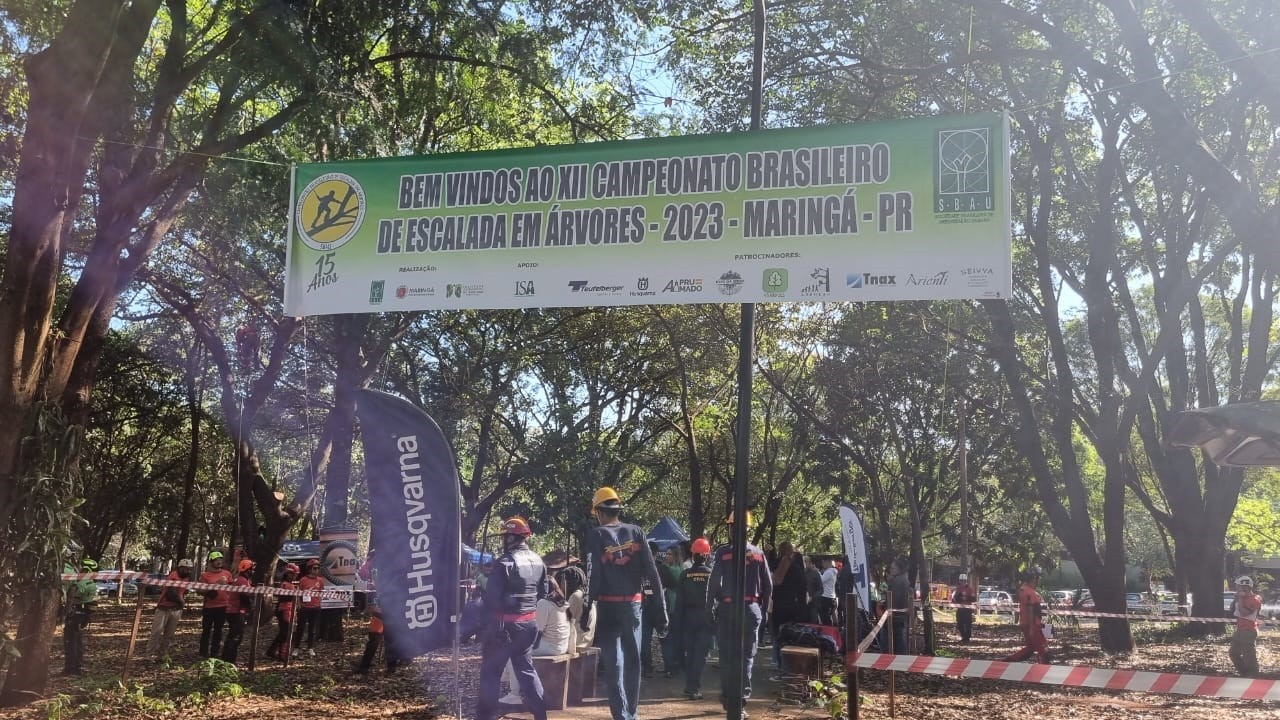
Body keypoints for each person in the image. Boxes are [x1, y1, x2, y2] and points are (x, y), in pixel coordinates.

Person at [582, 486, 667, 720]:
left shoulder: (596, 535)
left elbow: (593, 575)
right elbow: (652, 573)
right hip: (633, 606)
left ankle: (621, 716)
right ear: (617, 509)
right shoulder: (638, 532)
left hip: (608, 607)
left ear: (599, 512)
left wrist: (587, 607)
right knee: (633, 662)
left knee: (614, 663)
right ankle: (632, 714)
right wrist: (662, 609)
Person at [476, 516, 548, 720]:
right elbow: (542, 592)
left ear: (510, 537)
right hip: (528, 625)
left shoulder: (504, 563)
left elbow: (491, 599)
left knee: (491, 673)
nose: (502, 541)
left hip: (503, 628)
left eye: (504, 537)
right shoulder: (538, 561)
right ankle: (541, 716)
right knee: (526, 671)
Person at [708, 511, 773, 719]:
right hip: (751, 609)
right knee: (746, 658)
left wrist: (711, 605)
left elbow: (714, 583)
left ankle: (728, 697)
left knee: (727, 656)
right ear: (748, 529)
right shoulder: (758, 554)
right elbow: (768, 586)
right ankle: (741, 702)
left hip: (728, 609)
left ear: (731, 528)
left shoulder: (723, 553)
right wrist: (762, 611)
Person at [500, 575, 571, 703]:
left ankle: (515, 694)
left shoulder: (544, 603)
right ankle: (509, 676)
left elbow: (537, 631)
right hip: (561, 644)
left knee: (515, 653)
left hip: (551, 646)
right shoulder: (561, 601)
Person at [677, 537, 714, 700]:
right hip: (705, 617)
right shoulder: (711, 575)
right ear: (706, 556)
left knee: (690, 653)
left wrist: (677, 623)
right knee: (700, 654)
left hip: (688, 617)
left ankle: (689, 686)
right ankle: (694, 688)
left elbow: (679, 602)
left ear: (693, 555)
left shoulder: (684, 575)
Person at [769, 541, 807, 668]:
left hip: (780, 604)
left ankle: (777, 662)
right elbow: (803, 587)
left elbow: (773, 582)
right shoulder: (798, 566)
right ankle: (790, 664)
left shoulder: (777, 563)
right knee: (792, 634)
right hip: (795, 605)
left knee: (778, 634)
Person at [147, 558, 194, 661]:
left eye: (189, 569)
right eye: (186, 569)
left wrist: (183, 601)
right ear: (180, 568)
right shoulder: (173, 576)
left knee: (169, 634)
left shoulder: (186, 579)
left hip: (176, 609)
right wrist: (181, 602)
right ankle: (149, 654)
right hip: (164, 607)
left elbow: (184, 592)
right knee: (156, 632)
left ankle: (162, 654)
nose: (188, 571)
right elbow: (171, 593)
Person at [1001, 566, 1049, 664]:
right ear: (1034, 579)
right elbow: (1031, 610)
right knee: (1043, 650)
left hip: (1027, 624)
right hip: (1033, 625)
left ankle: (1006, 662)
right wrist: (1032, 629)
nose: (1040, 580)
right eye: (1039, 578)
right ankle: (1044, 671)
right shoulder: (1030, 592)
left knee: (1030, 648)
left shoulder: (1024, 589)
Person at [63, 557, 99, 676]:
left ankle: (71, 669)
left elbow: (71, 597)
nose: (79, 569)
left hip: (75, 615)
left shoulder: (81, 583)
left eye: (81, 567)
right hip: (84, 615)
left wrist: (66, 613)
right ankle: (77, 667)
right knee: (78, 641)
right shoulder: (92, 583)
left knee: (71, 642)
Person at [198, 551, 233, 658]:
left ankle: (214, 652)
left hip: (223, 606)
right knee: (206, 630)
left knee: (218, 630)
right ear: (211, 562)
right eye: (216, 560)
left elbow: (232, 588)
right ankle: (203, 652)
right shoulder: (205, 575)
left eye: (220, 560)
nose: (219, 562)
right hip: (209, 607)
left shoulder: (227, 574)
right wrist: (216, 584)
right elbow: (200, 591)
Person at [221, 559, 254, 664]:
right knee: (236, 636)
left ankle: (227, 657)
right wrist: (250, 607)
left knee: (233, 635)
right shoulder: (242, 581)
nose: (253, 571)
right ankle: (229, 660)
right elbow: (244, 596)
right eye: (251, 569)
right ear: (247, 570)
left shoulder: (242, 580)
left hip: (235, 611)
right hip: (237, 611)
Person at [1229, 575, 1262, 677]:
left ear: (1245, 587)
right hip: (1240, 629)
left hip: (1249, 631)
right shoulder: (1242, 598)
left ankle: (1253, 676)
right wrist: (1237, 599)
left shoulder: (1255, 599)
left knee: (1249, 655)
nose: (1237, 589)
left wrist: (1240, 598)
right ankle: (1244, 674)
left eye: (1239, 586)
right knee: (1233, 653)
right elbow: (1232, 610)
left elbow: (1243, 613)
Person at [558, 565, 595, 654]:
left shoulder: (575, 596)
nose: (561, 585)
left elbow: (564, 621)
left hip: (577, 643)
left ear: (569, 581)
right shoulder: (586, 595)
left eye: (563, 581)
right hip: (586, 641)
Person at [267, 563, 300, 662]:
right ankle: (282, 654)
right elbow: (283, 597)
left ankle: (272, 651)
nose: (295, 576)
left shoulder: (290, 584)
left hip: (289, 610)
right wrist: (293, 595)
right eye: (294, 574)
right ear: (289, 574)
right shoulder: (285, 584)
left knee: (283, 633)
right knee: (285, 633)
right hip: (284, 610)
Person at [293, 558, 325, 657]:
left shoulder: (320, 580)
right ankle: (296, 648)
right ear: (310, 569)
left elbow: (321, 593)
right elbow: (298, 593)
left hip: (315, 608)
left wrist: (319, 603)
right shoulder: (303, 580)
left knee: (312, 629)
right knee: (300, 628)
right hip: (304, 607)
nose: (317, 570)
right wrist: (298, 604)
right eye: (315, 568)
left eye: (318, 568)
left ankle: (310, 648)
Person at [886, 558, 912, 654]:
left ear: (900, 570)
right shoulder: (904, 579)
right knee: (901, 642)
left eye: (893, 569)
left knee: (898, 644)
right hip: (901, 616)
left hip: (896, 617)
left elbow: (894, 599)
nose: (891, 570)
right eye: (891, 568)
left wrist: (890, 611)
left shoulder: (898, 581)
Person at [952, 573, 977, 644]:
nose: (962, 582)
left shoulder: (969, 589)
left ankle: (967, 638)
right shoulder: (957, 589)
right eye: (961, 580)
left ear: (966, 581)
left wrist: (966, 598)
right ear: (959, 581)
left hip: (968, 609)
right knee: (959, 624)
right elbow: (954, 598)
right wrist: (957, 598)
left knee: (968, 624)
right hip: (960, 609)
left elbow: (974, 598)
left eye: (964, 580)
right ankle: (963, 637)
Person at [818, 558, 838, 626]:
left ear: (828, 562)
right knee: (830, 615)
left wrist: (817, 572)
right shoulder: (833, 571)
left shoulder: (829, 572)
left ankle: (828, 632)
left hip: (826, 597)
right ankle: (834, 629)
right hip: (831, 596)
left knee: (825, 618)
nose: (822, 564)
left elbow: (821, 580)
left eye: (823, 562)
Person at [804, 555, 823, 623]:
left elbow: (821, 589)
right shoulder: (801, 573)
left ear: (810, 563)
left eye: (806, 561)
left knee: (813, 621)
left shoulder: (815, 573)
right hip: (802, 604)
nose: (805, 563)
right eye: (804, 561)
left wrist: (812, 597)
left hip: (813, 604)